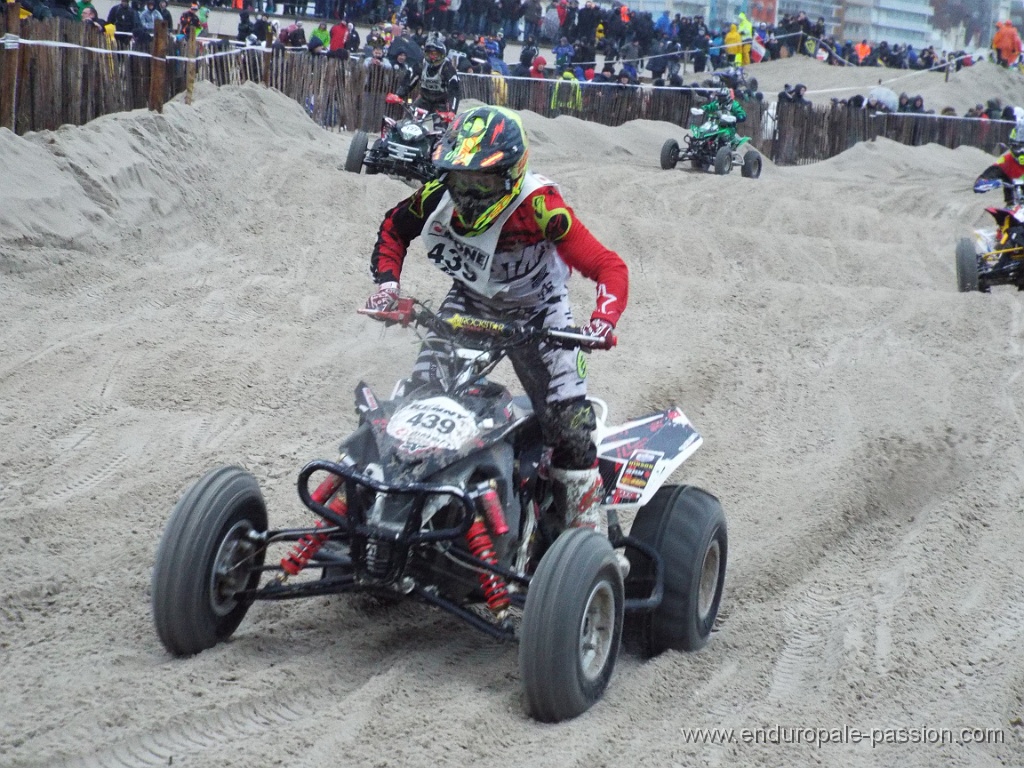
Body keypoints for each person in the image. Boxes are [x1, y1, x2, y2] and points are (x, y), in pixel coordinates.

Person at [363, 106, 629, 537]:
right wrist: (388, 286)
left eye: (481, 183)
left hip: (540, 314)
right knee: (416, 406)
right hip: (468, 303)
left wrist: (602, 319)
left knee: (571, 429)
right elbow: (395, 227)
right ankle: (403, 519)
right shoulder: (437, 194)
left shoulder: (542, 207)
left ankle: (592, 538)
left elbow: (608, 265)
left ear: (510, 175)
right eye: (459, 179)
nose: (465, 195)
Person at [395, 39, 460, 118]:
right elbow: (409, 80)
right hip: (423, 99)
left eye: (435, 54)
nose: (432, 57)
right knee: (408, 120)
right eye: (430, 54)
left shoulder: (448, 68)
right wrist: (398, 95)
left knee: (440, 128)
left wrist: (452, 111)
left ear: (442, 55)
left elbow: (454, 90)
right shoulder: (421, 64)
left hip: (441, 103)